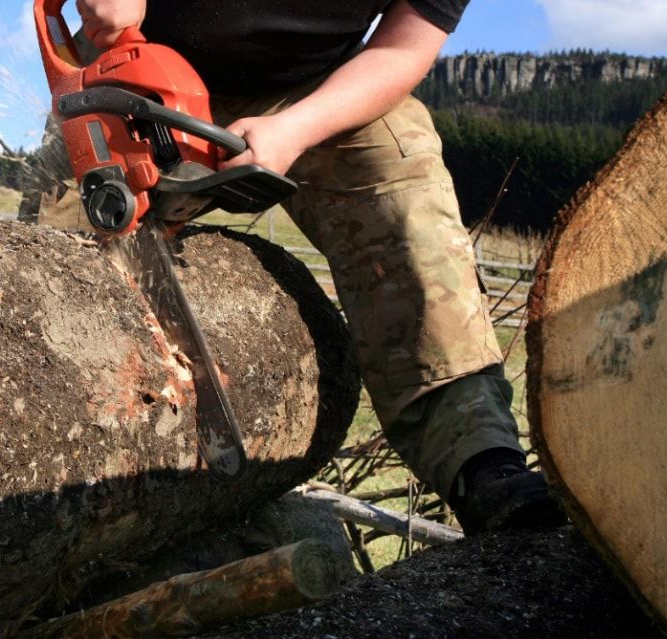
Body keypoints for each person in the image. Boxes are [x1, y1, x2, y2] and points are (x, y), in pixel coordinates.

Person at [70, 0, 565, 534]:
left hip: (321, 85)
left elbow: (402, 48)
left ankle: (480, 459)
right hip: (133, 67)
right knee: (61, 261)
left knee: (406, 206)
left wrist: (296, 128)